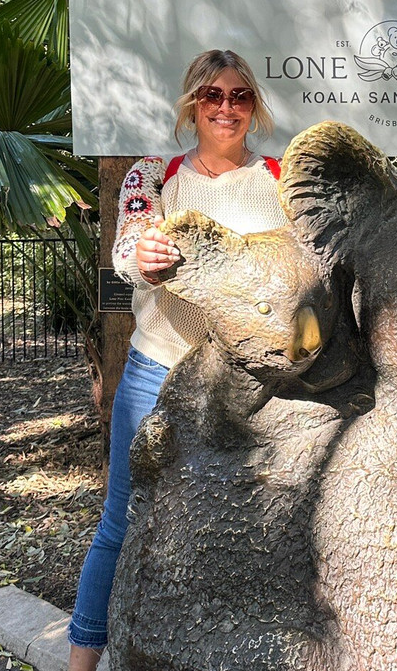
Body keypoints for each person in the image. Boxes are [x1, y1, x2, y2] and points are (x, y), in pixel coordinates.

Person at [67, 50, 288, 671]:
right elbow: (126, 253)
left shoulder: (278, 178)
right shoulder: (151, 174)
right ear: (192, 104)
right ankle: (83, 658)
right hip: (158, 371)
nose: (226, 108)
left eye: (240, 96)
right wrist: (147, 255)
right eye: (213, 95)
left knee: (248, 522)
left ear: (254, 106)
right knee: (122, 520)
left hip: (247, 383)